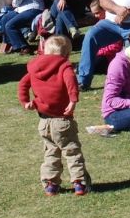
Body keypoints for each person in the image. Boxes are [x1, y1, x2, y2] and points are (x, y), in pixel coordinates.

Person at [19, 34, 90, 196]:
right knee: (71, 150)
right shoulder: (64, 66)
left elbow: (23, 84)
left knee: (50, 151)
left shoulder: (35, 67)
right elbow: (71, 80)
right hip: (62, 120)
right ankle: (79, 182)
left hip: (44, 122)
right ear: (66, 54)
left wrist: (25, 102)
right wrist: (73, 100)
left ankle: (51, 184)